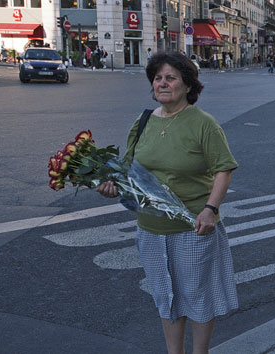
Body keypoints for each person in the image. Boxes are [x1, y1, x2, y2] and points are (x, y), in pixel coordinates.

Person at [95, 51, 239, 354]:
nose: (162, 83)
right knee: (165, 295)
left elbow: (223, 169)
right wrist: (110, 184)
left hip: (193, 227)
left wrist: (210, 209)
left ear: (187, 85)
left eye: (170, 78)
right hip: (150, 227)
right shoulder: (143, 120)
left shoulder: (204, 124)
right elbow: (129, 169)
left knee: (197, 295)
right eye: (158, 78)